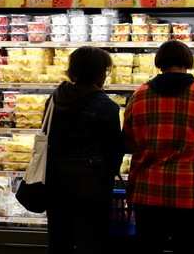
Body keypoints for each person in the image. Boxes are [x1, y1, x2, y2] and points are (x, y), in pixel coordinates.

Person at [123, 40, 194, 254]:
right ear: (188, 62)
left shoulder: (139, 96)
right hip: (193, 189)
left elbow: (129, 139)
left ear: (159, 63)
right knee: (188, 246)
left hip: (149, 188)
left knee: (149, 246)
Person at [45, 46, 124, 254]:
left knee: (58, 241)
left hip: (55, 184)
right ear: (101, 73)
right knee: (91, 242)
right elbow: (114, 150)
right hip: (92, 187)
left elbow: (46, 137)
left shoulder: (54, 99)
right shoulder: (106, 106)